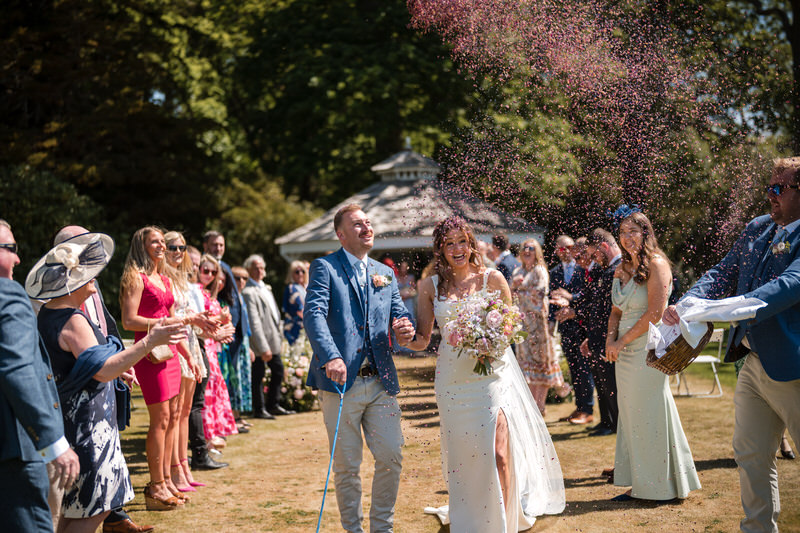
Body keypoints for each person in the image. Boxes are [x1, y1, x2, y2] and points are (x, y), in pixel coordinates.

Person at [662, 157, 800, 531]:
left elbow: (789, 285)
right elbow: (722, 272)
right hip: (752, 361)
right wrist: (689, 302)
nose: (770, 196)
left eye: (779, 189)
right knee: (750, 452)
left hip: (794, 364)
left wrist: (734, 309)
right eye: (769, 188)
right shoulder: (757, 228)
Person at [407, 217, 565, 531]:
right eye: (449, 243)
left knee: (499, 454)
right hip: (452, 380)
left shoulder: (492, 279)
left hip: (492, 377)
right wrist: (405, 339)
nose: (456, 249)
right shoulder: (429, 286)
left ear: (471, 243)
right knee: (466, 454)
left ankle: (505, 522)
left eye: (461, 241)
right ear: (440, 248)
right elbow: (423, 339)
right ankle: (473, 516)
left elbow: (510, 326)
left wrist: (488, 342)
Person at [28, 232, 186, 530]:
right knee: (94, 507)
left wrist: (122, 363)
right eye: (88, 272)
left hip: (77, 424)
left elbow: (90, 363)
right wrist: (149, 342)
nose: (95, 277)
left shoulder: (51, 313)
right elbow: (102, 370)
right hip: (87, 428)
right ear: (71, 279)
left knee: (76, 510)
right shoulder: (72, 319)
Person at [304, 203, 415, 533]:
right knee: (347, 467)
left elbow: (399, 314)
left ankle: (382, 528)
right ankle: (353, 530)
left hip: (381, 381)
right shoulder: (325, 267)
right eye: (357, 224)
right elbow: (314, 315)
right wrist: (331, 356)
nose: (366, 227)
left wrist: (405, 328)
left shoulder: (385, 272)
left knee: (392, 456)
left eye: (368, 222)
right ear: (341, 234)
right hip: (340, 383)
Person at [52, 226, 154, 533]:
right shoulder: (58, 309)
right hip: (80, 418)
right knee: (84, 506)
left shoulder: (88, 292)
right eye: (86, 247)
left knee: (89, 506)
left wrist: (118, 360)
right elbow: (86, 361)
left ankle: (114, 517)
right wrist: (146, 344)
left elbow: (102, 333)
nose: (95, 254)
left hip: (99, 409)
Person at [607, 208, 701, 502]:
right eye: (622, 232)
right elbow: (616, 310)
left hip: (648, 350)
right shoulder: (622, 267)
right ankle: (641, 482)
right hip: (622, 350)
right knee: (632, 417)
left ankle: (660, 486)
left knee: (650, 414)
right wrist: (610, 339)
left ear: (645, 233)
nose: (626, 237)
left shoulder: (657, 264)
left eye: (632, 231)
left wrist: (621, 342)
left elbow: (655, 313)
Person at [0, 219, 80, 533]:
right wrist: (53, 442)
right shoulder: (7, 295)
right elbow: (17, 369)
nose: (19, 258)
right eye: (10, 248)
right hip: (14, 452)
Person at [119, 226, 196, 509]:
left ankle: (166, 481)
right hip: (150, 353)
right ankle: (155, 487)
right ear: (142, 246)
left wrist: (187, 353)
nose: (162, 246)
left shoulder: (163, 278)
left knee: (172, 415)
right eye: (156, 242)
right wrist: (158, 324)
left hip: (172, 351)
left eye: (164, 242)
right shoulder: (135, 278)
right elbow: (128, 320)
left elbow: (173, 318)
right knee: (160, 418)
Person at [558, 228, 622, 438]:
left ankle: (613, 423)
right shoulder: (606, 269)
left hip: (609, 338)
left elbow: (604, 307)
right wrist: (590, 337)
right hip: (596, 336)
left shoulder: (617, 269)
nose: (590, 260)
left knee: (610, 386)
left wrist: (574, 308)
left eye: (592, 255)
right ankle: (606, 421)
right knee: (602, 385)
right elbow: (596, 305)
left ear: (603, 247)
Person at [163, 231, 209, 492]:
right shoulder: (163, 278)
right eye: (172, 247)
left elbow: (188, 313)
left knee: (184, 411)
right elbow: (172, 316)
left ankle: (183, 466)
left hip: (190, 341)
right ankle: (174, 470)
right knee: (176, 413)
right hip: (177, 344)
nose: (178, 252)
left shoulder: (181, 278)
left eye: (181, 247)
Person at [184, 246, 228, 471]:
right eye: (202, 268)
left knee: (194, 404)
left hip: (199, 346)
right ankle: (198, 454)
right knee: (193, 405)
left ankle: (194, 454)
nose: (207, 274)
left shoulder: (195, 288)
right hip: (191, 348)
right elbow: (198, 324)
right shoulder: (189, 288)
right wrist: (218, 327)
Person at [510, 238, 565, 415]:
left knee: (541, 363)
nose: (527, 251)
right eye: (524, 247)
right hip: (522, 326)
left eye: (531, 248)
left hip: (538, 325)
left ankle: (539, 405)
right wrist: (514, 287)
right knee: (527, 365)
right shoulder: (518, 270)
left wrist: (521, 289)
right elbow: (510, 296)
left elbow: (540, 294)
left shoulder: (540, 270)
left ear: (537, 252)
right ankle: (532, 405)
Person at [550, 234, 595, 425]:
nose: (567, 252)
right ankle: (579, 407)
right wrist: (554, 317)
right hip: (566, 328)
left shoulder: (583, 268)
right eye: (562, 249)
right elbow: (552, 296)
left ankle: (588, 409)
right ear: (557, 252)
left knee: (585, 369)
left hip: (583, 326)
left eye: (569, 247)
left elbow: (588, 295)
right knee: (574, 369)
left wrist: (572, 306)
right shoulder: (554, 272)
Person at [243, 255, 293, 419]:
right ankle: (259, 409)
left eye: (262, 267)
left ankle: (273, 405)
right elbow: (254, 322)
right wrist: (263, 347)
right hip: (259, 343)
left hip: (273, 340)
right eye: (255, 268)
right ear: (249, 270)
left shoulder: (267, 288)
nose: (259, 271)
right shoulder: (249, 292)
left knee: (278, 371)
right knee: (258, 375)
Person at [197, 256, 238, 450]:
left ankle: (212, 432)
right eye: (206, 271)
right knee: (206, 393)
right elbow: (201, 321)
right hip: (204, 345)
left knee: (214, 390)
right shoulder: (198, 293)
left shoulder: (207, 294)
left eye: (214, 273)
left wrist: (225, 326)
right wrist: (220, 320)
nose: (211, 276)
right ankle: (206, 436)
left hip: (213, 347)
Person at [282, 260, 307, 345]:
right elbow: (299, 310)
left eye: (302, 271)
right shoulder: (291, 288)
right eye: (297, 271)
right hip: (295, 329)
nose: (300, 274)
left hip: (307, 327)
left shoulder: (306, 287)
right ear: (291, 274)